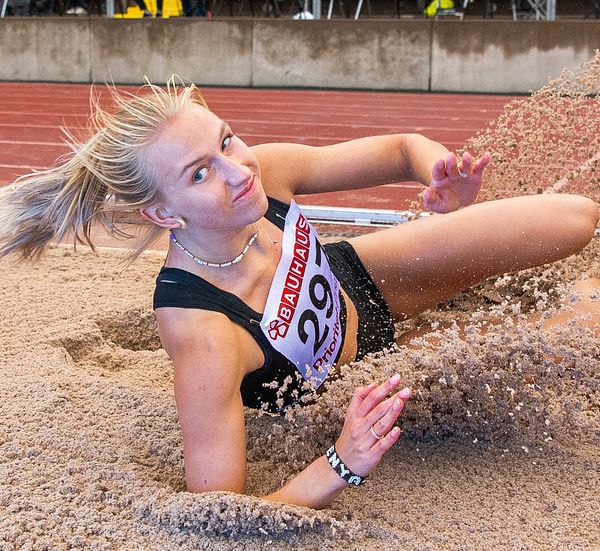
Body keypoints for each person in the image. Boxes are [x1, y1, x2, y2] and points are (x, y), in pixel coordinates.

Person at [0, 80, 598, 509]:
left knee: (574, 218)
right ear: (162, 212)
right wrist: (343, 461)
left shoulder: (267, 172)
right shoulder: (202, 332)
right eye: (200, 174)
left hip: (367, 283)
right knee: (588, 314)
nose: (239, 171)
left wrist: (441, 178)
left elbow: (402, 148)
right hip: (364, 379)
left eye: (227, 141)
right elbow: (219, 506)